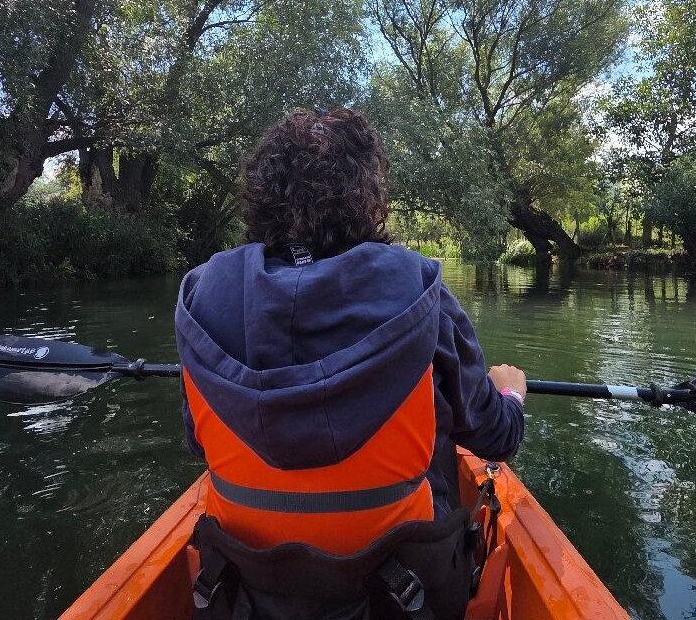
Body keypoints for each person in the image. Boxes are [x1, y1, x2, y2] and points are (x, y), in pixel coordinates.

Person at [175, 107, 526, 620]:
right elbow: (497, 438)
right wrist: (509, 397)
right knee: (442, 430)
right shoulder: (418, 288)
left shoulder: (201, 293)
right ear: (367, 197)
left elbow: (196, 442)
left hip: (248, 591)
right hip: (398, 594)